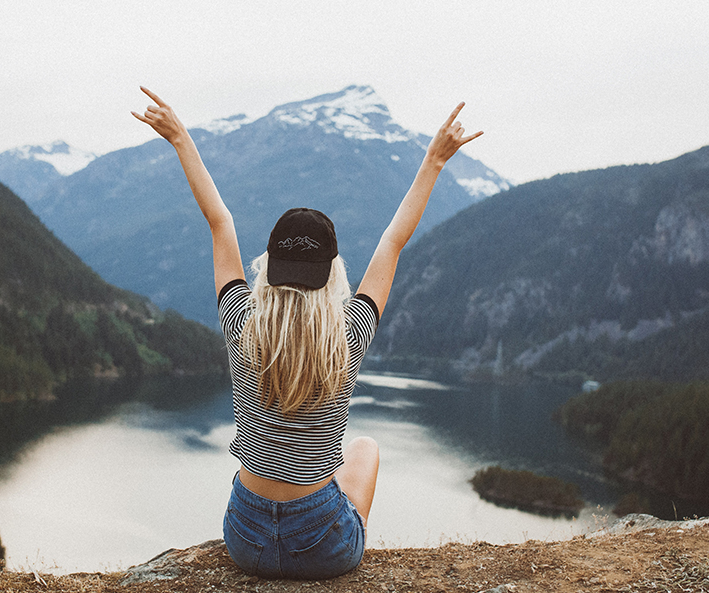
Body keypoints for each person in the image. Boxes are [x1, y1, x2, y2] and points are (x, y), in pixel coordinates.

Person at [132, 87, 481, 580]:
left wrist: (181, 139)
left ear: (269, 267)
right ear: (332, 273)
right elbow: (394, 241)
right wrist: (434, 161)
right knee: (363, 449)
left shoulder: (242, 321)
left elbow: (219, 222)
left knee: (307, 466)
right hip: (324, 547)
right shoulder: (348, 333)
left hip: (244, 538)